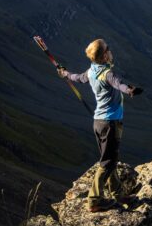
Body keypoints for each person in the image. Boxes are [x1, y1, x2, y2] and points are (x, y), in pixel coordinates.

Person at [57, 38, 143, 212]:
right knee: (108, 161)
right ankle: (95, 199)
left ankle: (117, 194)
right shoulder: (107, 73)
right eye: (108, 49)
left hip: (98, 123)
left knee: (110, 158)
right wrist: (130, 90)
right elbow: (119, 84)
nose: (110, 51)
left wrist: (65, 74)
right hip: (111, 123)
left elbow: (77, 78)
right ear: (104, 55)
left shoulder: (91, 72)